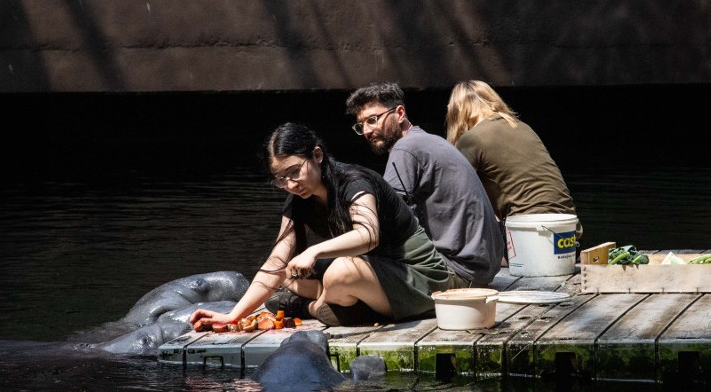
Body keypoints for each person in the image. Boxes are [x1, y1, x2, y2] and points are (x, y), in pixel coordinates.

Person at [189, 122, 456, 328]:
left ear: (317, 155)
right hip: (375, 277)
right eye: (281, 179)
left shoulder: (354, 182)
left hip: (421, 280)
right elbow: (276, 263)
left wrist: (313, 251)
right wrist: (232, 316)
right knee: (287, 275)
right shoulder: (298, 200)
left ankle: (316, 306)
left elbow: (369, 235)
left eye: (294, 172)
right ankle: (331, 300)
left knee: (339, 271)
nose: (290, 185)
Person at [345, 82, 504, 287]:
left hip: (459, 270)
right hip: (482, 268)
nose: (367, 130)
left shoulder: (405, 149)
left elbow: (383, 219)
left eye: (373, 120)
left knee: (353, 268)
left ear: (400, 113)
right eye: (361, 125)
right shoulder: (428, 140)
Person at [445, 80, 581, 236]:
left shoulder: (471, 139)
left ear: (457, 111)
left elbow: (454, 195)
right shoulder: (522, 127)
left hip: (530, 235)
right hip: (570, 229)